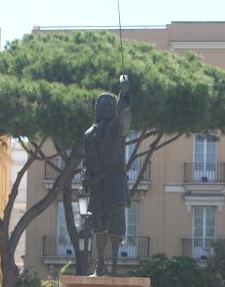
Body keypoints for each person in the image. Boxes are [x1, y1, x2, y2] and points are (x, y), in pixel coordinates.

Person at [82, 74, 131, 276]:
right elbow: (86, 159)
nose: (105, 108)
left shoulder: (116, 128)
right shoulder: (89, 134)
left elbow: (124, 117)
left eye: (109, 105)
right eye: (102, 105)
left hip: (115, 183)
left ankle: (115, 266)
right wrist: (85, 177)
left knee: (117, 227)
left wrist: (125, 94)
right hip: (97, 185)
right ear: (97, 109)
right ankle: (100, 265)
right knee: (98, 226)